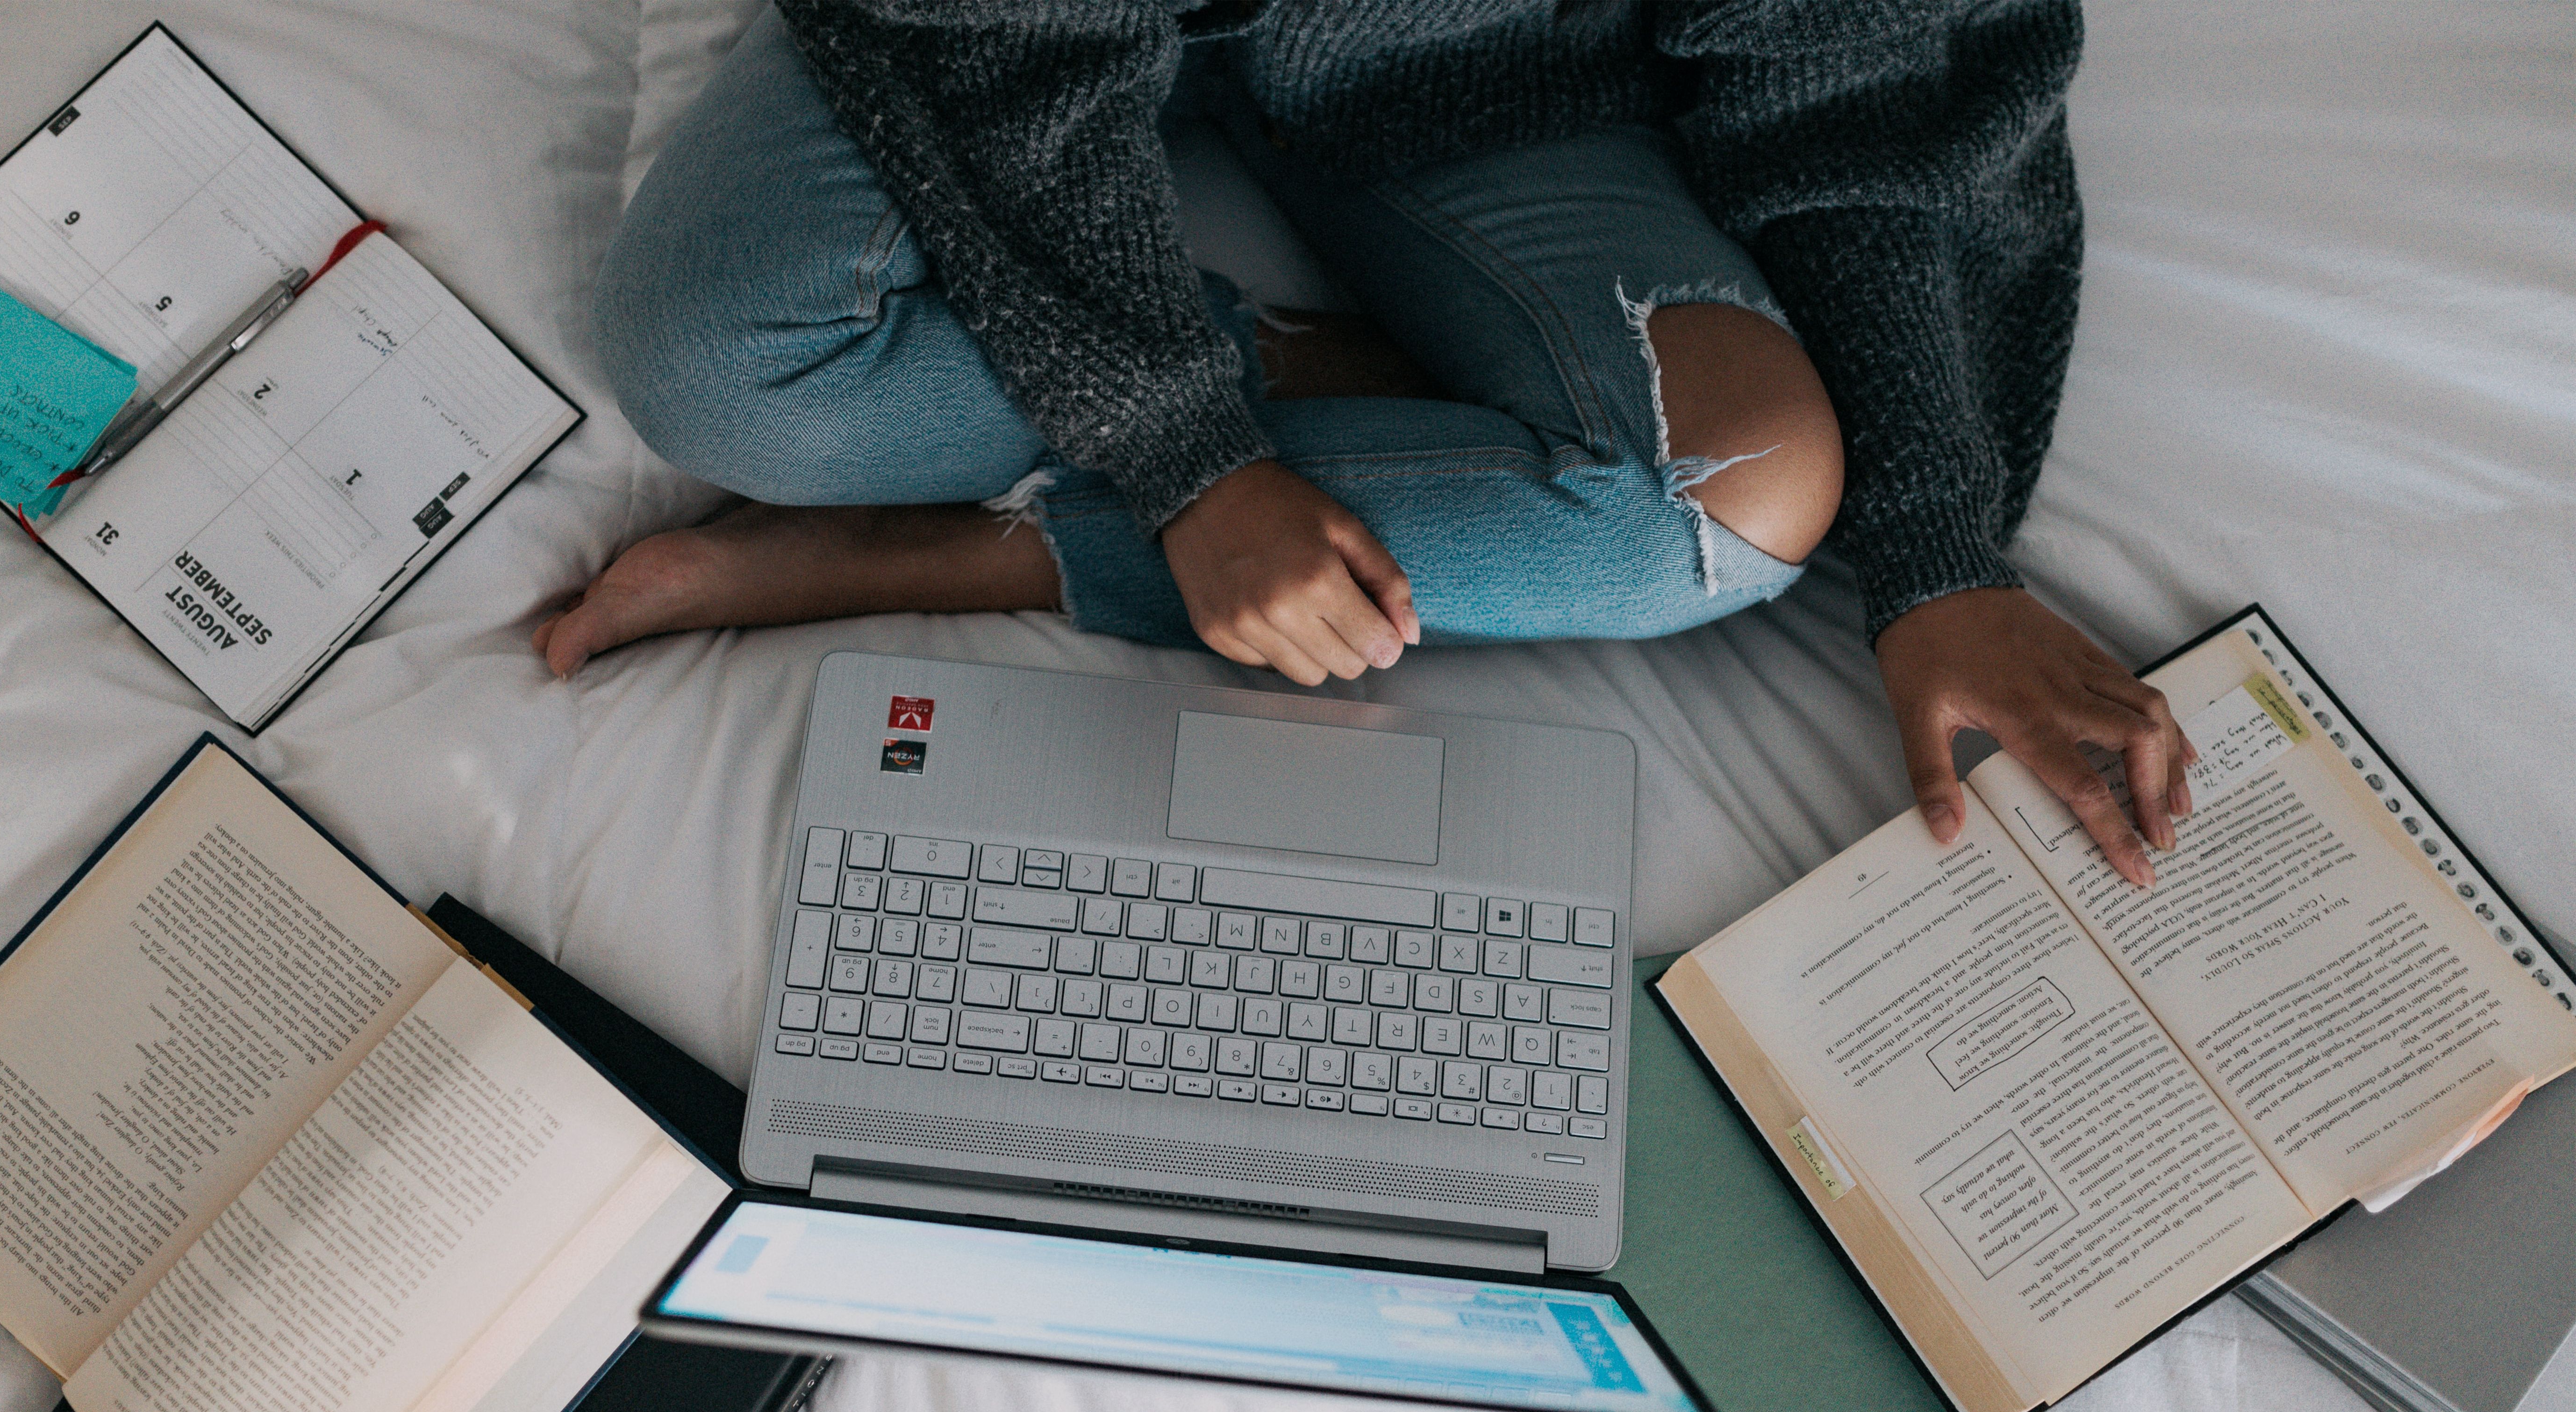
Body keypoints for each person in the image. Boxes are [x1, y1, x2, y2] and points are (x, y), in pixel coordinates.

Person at [545, 0, 2194, 885]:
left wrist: (1932, 558)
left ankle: (987, 545)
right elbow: (994, 44)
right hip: (997, 37)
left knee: (1716, 507)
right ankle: (1327, 383)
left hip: (1478, 64)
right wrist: (1184, 452)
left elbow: (1849, 80)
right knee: (710, 368)